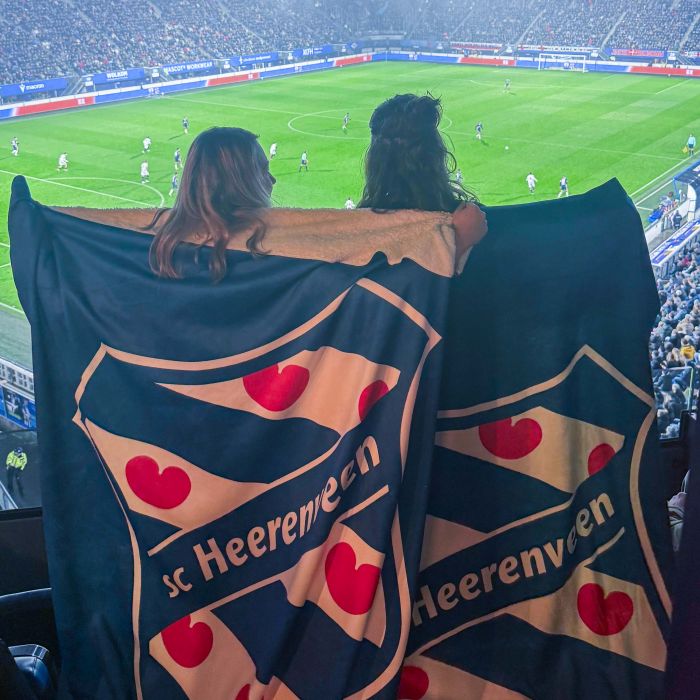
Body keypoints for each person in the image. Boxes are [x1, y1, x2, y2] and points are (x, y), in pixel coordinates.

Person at [358, 93, 486, 260]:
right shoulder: (475, 222)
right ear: (437, 155)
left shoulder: (357, 228)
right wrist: (462, 243)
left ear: (374, 160)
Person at [149, 126, 276, 281]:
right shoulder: (274, 256)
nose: (273, 180)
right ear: (240, 184)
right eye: (263, 171)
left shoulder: (147, 247)